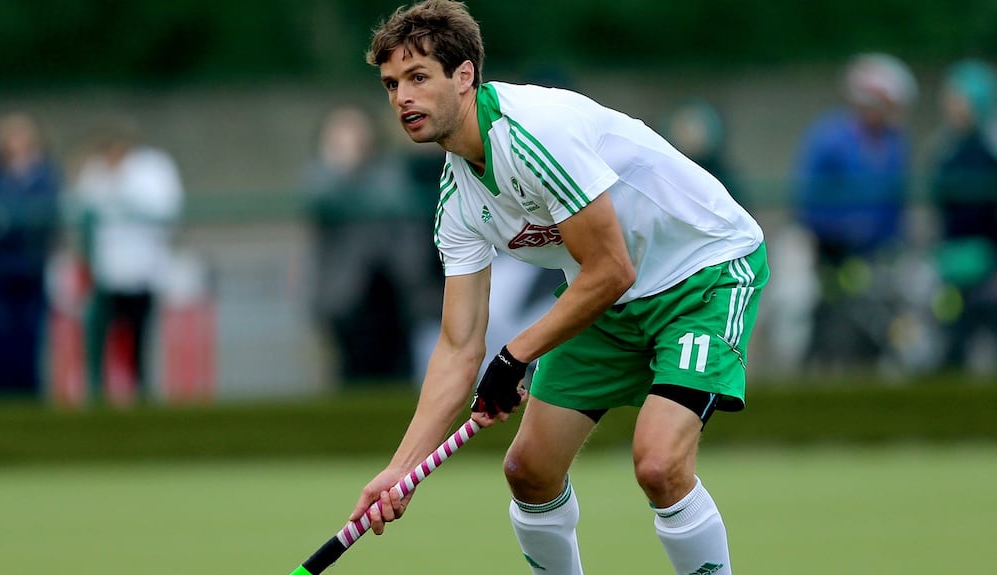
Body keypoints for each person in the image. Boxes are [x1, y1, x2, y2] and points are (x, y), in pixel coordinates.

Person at [348, 2, 768, 574]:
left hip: (702, 275)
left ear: (464, 76)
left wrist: (515, 355)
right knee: (529, 471)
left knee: (658, 465)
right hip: (606, 303)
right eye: (392, 84)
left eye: (418, 77)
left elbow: (611, 268)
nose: (402, 97)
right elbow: (458, 346)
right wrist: (401, 471)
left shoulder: (534, 132)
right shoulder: (457, 199)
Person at [792, 52, 917, 370]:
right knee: (828, 315)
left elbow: (895, 201)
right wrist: (843, 228)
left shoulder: (894, 143)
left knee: (876, 320)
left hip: (875, 255)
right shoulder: (830, 137)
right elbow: (807, 197)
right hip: (831, 251)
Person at [302, 105, 439, 383]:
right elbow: (318, 199)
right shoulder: (321, 176)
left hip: (394, 294)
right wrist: (343, 167)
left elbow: (405, 226)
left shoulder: (390, 173)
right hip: (344, 299)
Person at [73, 120, 183, 403]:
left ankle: (140, 389)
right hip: (102, 273)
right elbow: (79, 210)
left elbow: (167, 209)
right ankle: (96, 390)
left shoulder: (153, 168)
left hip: (142, 268)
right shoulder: (94, 172)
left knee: (139, 334)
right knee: (98, 333)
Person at [0, 113, 61, 397]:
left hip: (30, 265)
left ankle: (28, 390)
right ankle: (1, 389)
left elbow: (43, 218)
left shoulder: (44, 176)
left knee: (29, 332)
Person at [928, 59, 997, 371]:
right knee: (953, 339)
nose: (951, 106)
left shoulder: (989, 149)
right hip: (953, 260)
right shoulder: (945, 150)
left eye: (959, 99)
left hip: (987, 261)